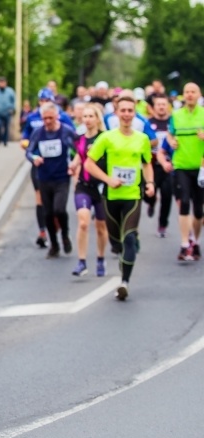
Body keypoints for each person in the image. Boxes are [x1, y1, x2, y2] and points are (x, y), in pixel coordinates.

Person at [84, 95, 154, 300]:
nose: (126, 114)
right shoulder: (106, 138)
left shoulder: (142, 139)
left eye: (130, 111)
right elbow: (89, 164)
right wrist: (107, 179)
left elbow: (147, 163)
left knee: (130, 237)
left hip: (133, 195)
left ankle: (124, 282)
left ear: (134, 113)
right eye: (122, 110)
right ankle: (122, 254)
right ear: (116, 113)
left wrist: (150, 183)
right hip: (111, 196)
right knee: (117, 244)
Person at [21, 89, 76, 248]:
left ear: (57, 116)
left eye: (51, 118)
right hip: (43, 176)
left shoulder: (66, 130)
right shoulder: (38, 132)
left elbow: (78, 147)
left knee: (59, 210)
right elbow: (29, 151)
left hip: (62, 177)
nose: (48, 121)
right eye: (45, 118)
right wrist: (34, 158)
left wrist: (74, 163)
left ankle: (65, 234)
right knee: (48, 212)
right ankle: (54, 243)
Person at [164, 82, 204, 260]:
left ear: (199, 94)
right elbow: (169, 133)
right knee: (185, 202)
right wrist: (172, 140)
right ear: (183, 95)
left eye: (193, 92)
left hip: (201, 167)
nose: (189, 95)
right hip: (180, 165)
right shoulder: (176, 115)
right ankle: (184, 243)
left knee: (199, 210)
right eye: (186, 92)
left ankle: (195, 240)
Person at [69, 104, 108, 277]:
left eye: (91, 116)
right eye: (85, 116)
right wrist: (74, 163)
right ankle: (82, 261)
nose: (87, 120)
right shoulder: (80, 138)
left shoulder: (105, 138)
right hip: (83, 185)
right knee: (83, 222)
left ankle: (100, 258)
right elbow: (80, 153)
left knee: (101, 227)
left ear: (98, 119)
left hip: (102, 186)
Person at [145, 94, 174, 237]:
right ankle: (151, 202)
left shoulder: (173, 122)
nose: (161, 107)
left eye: (164, 104)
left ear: (168, 106)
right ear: (153, 107)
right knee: (149, 192)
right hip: (152, 164)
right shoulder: (148, 123)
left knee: (167, 195)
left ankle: (162, 225)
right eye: (158, 104)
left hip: (168, 164)